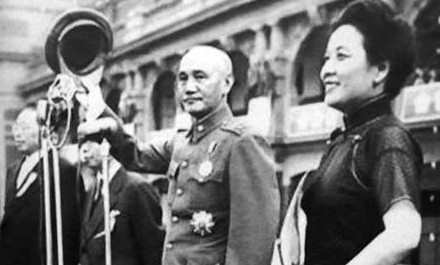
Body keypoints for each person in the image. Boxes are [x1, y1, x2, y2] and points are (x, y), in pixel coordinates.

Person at [78, 45, 280, 265]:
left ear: (227, 84)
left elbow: (253, 241)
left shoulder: (242, 142)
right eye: (183, 79)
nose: (189, 87)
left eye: (200, 77)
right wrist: (101, 111)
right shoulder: (182, 142)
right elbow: (137, 155)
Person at [288, 1, 422, 265]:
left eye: (342, 56)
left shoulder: (387, 137)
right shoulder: (342, 140)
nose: (326, 70)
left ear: (380, 70)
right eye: (326, 58)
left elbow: (405, 233)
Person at [0, 104, 82, 265]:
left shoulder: (61, 170)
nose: (18, 134)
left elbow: (68, 228)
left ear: (44, 131)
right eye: (16, 128)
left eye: (25, 128)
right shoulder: (13, 170)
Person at [78, 134, 164, 265]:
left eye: (93, 140)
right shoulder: (92, 189)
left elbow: (152, 252)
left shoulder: (136, 188)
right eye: (82, 143)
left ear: (111, 143)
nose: (85, 148)